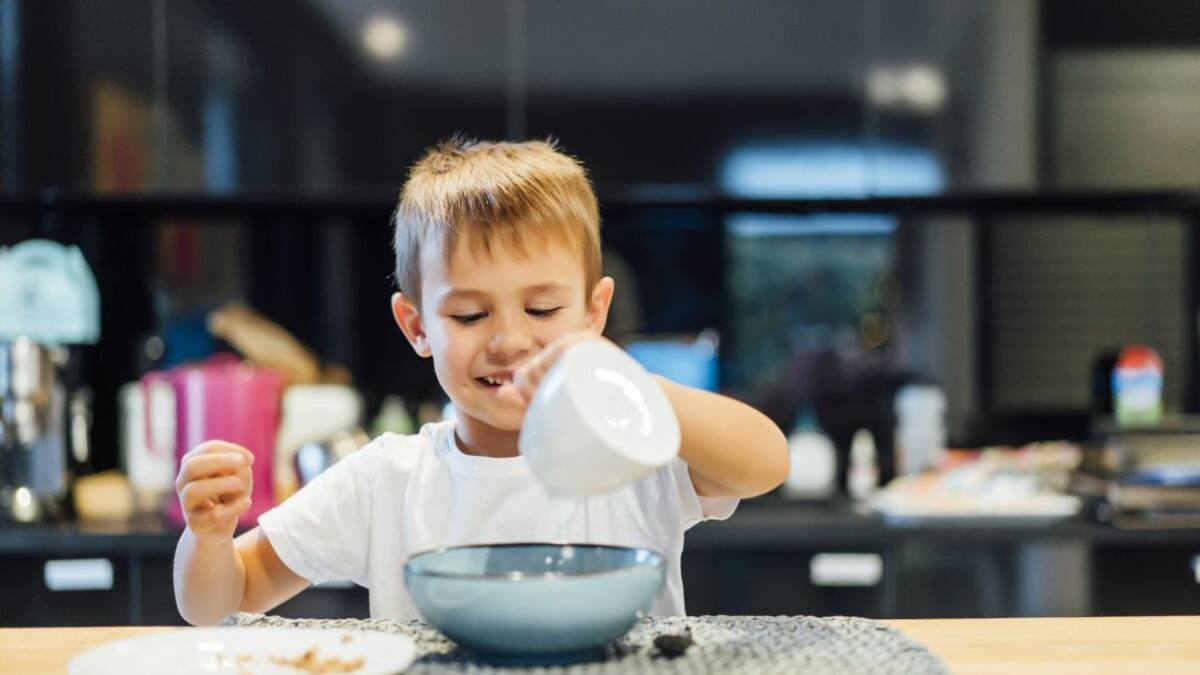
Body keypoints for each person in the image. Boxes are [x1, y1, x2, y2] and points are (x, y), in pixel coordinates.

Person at [173, 138, 789, 625]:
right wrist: (206, 539)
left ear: (593, 315)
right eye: (469, 315)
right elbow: (227, 595)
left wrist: (634, 387)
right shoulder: (386, 481)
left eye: (542, 311)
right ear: (416, 326)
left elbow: (765, 463)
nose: (508, 341)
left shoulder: (634, 449)